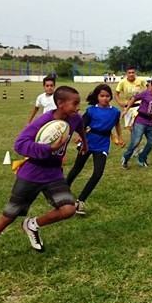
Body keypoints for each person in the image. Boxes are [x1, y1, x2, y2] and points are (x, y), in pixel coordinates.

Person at [0, 86, 86, 274]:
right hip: (32, 173)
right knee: (9, 215)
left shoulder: (74, 118)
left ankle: (32, 224)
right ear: (60, 104)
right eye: (75, 103)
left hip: (54, 174)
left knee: (69, 208)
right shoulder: (43, 121)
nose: (79, 107)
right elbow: (20, 144)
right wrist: (49, 148)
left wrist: (84, 143)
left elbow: (79, 126)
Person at [64, 84, 124, 216]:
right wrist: (80, 137)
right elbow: (82, 125)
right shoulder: (91, 110)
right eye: (102, 96)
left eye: (107, 96)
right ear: (97, 97)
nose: (105, 98)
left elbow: (117, 124)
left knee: (98, 173)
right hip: (88, 142)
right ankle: (63, 189)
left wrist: (120, 137)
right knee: (77, 168)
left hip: (103, 144)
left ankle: (81, 201)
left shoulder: (115, 112)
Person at [115, 66, 148, 130]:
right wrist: (120, 102)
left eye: (133, 72)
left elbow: (149, 87)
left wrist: (145, 95)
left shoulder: (140, 80)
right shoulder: (122, 82)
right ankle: (134, 138)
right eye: (129, 73)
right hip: (128, 106)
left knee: (136, 122)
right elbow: (116, 94)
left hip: (138, 105)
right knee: (129, 127)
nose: (131, 74)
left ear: (135, 73)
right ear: (126, 74)